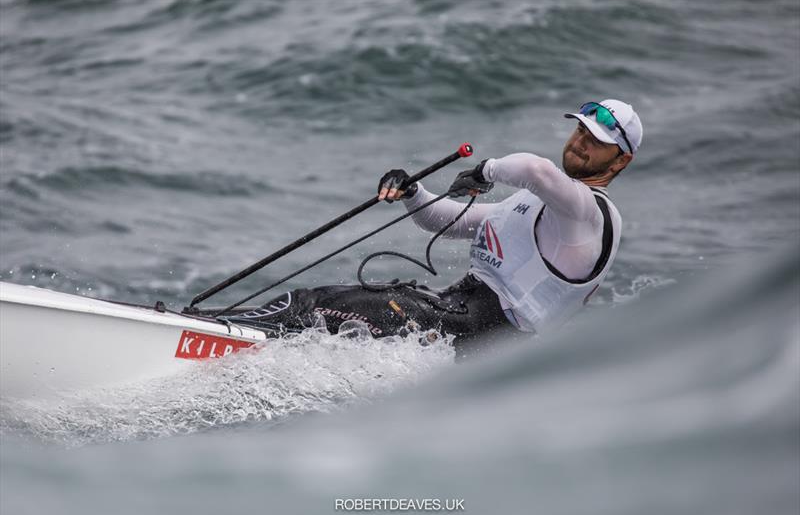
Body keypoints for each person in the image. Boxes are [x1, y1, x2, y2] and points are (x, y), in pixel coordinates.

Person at [228, 100, 643, 358]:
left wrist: (486, 170)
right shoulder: (536, 203)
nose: (580, 143)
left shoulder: (589, 215)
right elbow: (445, 222)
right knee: (328, 309)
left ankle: (211, 334)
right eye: (579, 130)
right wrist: (412, 191)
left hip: (476, 330)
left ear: (620, 160)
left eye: (597, 140)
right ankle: (226, 332)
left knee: (309, 305)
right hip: (453, 315)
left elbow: (534, 169)